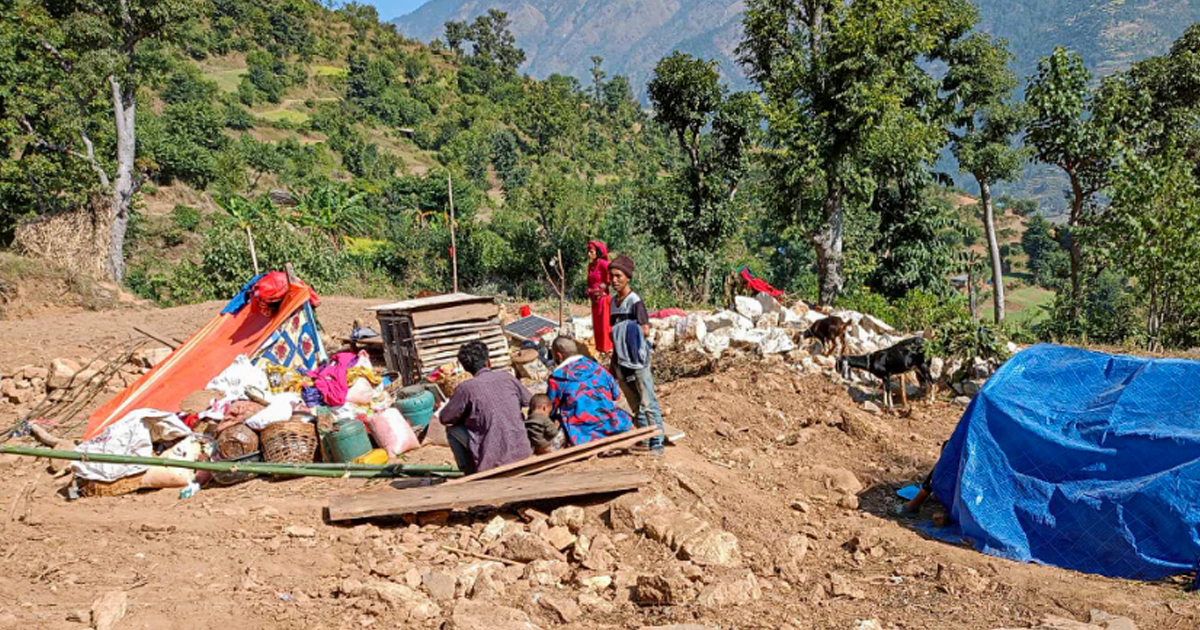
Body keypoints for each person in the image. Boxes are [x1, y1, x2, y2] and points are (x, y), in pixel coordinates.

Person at [438, 340, 533, 474]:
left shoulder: (466, 388)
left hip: (490, 462)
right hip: (523, 453)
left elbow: (445, 418)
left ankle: (468, 471)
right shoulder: (507, 378)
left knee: (451, 429)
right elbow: (530, 401)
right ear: (488, 362)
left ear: (466, 369)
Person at [607, 254, 665, 455]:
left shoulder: (635, 301)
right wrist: (613, 363)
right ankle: (644, 437)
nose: (614, 281)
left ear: (628, 277)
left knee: (647, 400)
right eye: (612, 276)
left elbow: (644, 329)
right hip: (621, 359)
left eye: (618, 276)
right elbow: (613, 333)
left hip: (637, 358)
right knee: (634, 401)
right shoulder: (613, 303)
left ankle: (657, 440)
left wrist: (622, 331)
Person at [546, 336, 633, 446]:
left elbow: (549, 409)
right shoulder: (597, 368)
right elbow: (616, 394)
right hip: (613, 424)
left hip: (582, 433)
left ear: (559, 355)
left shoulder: (557, 379)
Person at [586, 241, 613, 354]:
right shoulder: (590, 266)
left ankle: (608, 349)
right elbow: (589, 282)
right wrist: (589, 290)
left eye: (591, 251)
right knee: (597, 325)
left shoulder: (604, 264)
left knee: (604, 325)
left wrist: (602, 287)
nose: (588, 254)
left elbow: (611, 278)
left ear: (597, 252)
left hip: (603, 299)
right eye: (587, 251)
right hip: (595, 300)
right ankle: (600, 348)